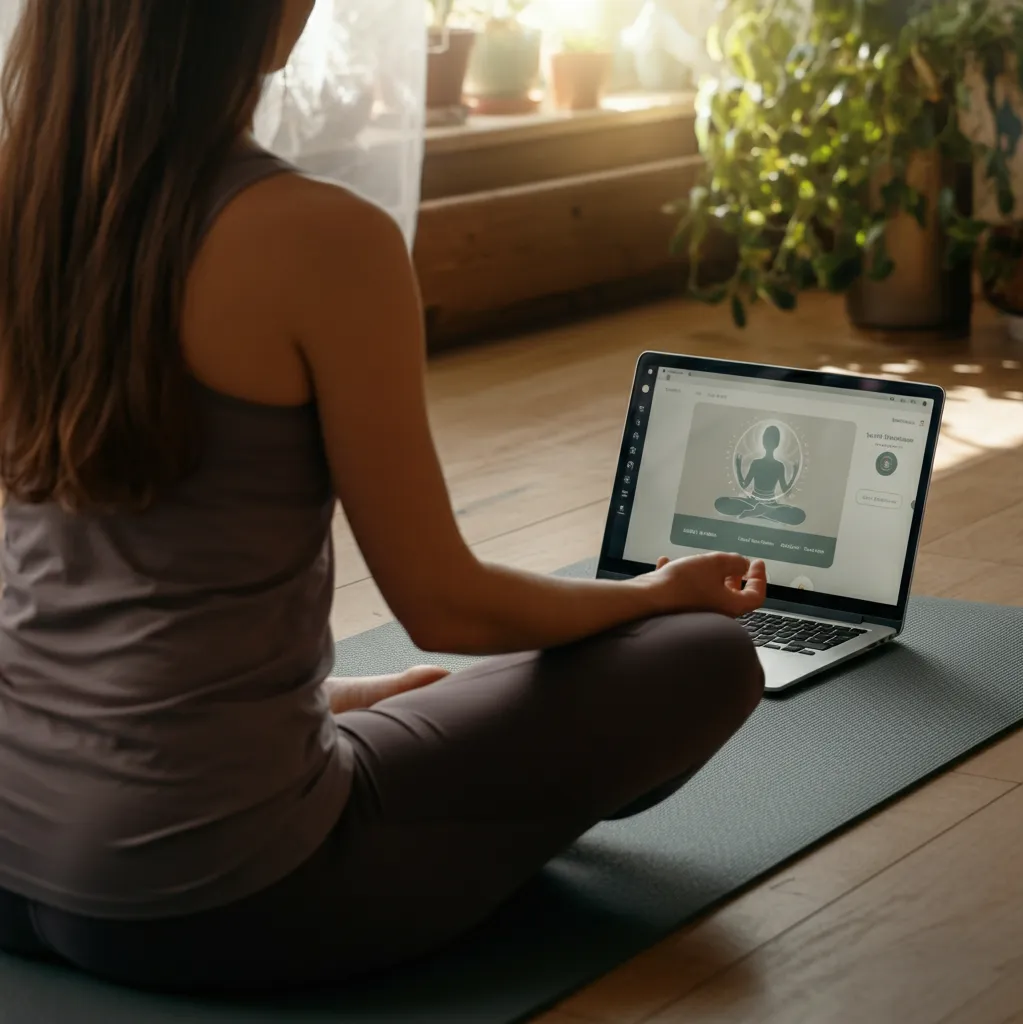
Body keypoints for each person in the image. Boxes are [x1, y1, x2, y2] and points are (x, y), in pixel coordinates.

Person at [0, 0, 766, 995]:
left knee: (406, 697)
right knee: (700, 658)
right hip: (218, 898)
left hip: (13, 865)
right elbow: (443, 605)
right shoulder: (318, 237)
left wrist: (316, 698)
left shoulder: (19, 209)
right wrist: (655, 593)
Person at [715, 425, 807, 526]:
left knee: (797, 514)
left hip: (757, 503)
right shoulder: (765, 464)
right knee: (722, 502)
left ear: (764, 442)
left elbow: (744, 485)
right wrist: (794, 475)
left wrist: (738, 468)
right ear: (777, 444)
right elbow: (786, 492)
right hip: (761, 503)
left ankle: (756, 511)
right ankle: (767, 512)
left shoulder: (769, 465)